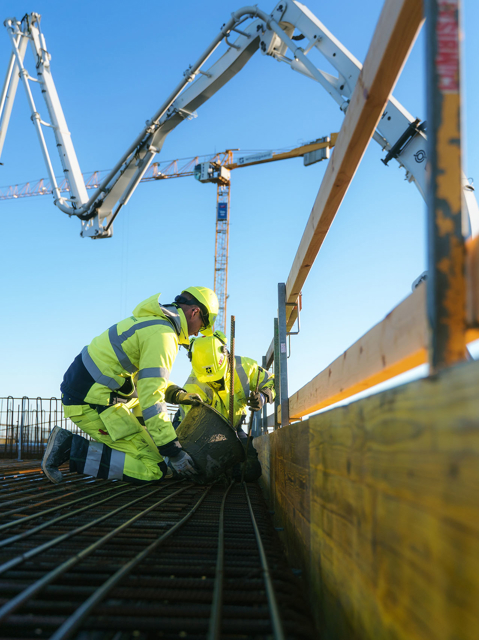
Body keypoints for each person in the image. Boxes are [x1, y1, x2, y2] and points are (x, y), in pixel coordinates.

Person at [41, 287, 218, 484]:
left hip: (95, 390)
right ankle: (69, 447)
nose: (196, 334)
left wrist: (176, 393)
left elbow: (146, 378)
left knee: (153, 442)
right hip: (91, 401)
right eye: (202, 326)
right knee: (155, 468)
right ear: (195, 313)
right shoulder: (164, 336)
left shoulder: (154, 323)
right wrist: (174, 452)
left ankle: (143, 444)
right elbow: (152, 396)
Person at [170, 331, 275, 481]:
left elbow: (271, 380)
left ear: (226, 356)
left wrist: (264, 396)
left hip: (233, 427)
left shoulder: (245, 367)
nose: (214, 382)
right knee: (190, 470)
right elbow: (194, 433)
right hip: (196, 429)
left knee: (250, 470)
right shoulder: (193, 385)